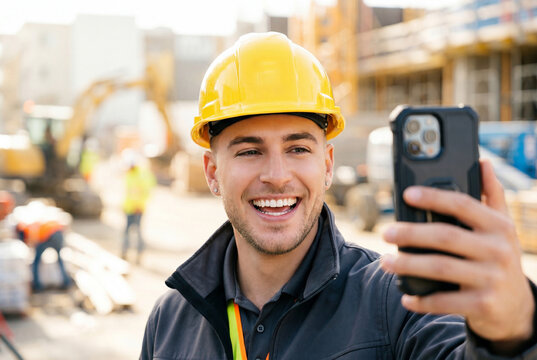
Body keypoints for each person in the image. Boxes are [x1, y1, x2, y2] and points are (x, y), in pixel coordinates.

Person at [141, 32, 536, 359]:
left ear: (327, 165)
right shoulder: (169, 322)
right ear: (212, 172)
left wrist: (511, 334)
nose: (277, 177)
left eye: (298, 149)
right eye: (249, 151)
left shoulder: (394, 303)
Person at [14, 202, 71, 291]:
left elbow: (33, 236)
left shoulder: (27, 224)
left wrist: (33, 244)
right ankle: (66, 282)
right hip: (58, 233)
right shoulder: (44, 216)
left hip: (48, 235)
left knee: (36, 261)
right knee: (59, 259)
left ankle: (37, 286)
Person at [121, 151, 156, 263]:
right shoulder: (129, 175)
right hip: (129, 208)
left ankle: (139, 254)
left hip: (138, 209)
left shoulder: (141, 175)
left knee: (138, 232)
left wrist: (139, 206)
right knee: (126, 231)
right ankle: (124, 252)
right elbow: (128, 192)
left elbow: (146, 192)